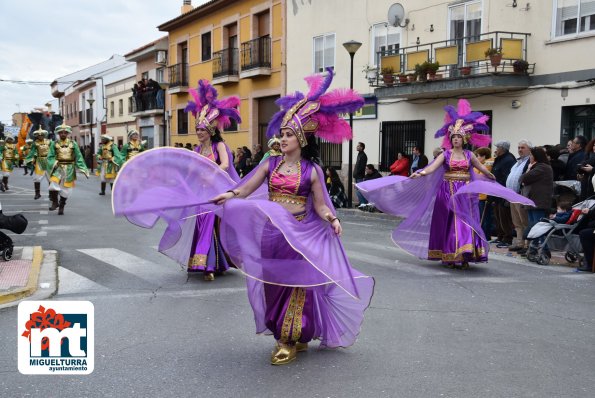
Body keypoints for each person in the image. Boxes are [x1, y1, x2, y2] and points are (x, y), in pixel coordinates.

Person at [113, 68, 374, 366]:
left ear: (301, 139)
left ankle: (289, 338)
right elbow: (245, 188)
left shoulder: (312, 171)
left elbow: (321, 205)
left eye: (288, 135)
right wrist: (228, 195)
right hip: (272, 234)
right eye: (283, 134)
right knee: (273, 286)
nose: (283, 138)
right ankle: (287, 333)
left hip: (300, 234)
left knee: (298, 284)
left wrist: (332, 219)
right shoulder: (271, 164)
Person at [357, 99, 534, 269]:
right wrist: (420, 173)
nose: (456, 139)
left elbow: (482, 168)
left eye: (459, 137)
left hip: (464, 192)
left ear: (464, 139)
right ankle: (450, 255)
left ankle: (464, 254)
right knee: (449, 223)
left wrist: (490, 176)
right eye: (454, 137)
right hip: (447, 191)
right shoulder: (446, 154)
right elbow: (432, 168)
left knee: (464, 222)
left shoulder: (469, 155)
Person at [183, 79, 241, 279]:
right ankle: (211, 261)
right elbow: (191, 169)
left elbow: (225, 164)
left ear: (210, 131)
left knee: (209, 221)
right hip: (201, 192)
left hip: (216, 191)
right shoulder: (197, 149)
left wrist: (209, 172)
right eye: (197, 130)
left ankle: (207, 266)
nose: (198, 133)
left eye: (201, 130)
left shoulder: (219, 147)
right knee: (201, 223)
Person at [47, 123, 90, 215]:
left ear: (67, 133)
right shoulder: (54, 144)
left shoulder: (73, 144)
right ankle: (55, 202)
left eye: (65, 132)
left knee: (66, 190)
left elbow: (79, 156)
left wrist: (83, 169)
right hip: (58, 167)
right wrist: (54, 163)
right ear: (58, 134)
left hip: (69, 168)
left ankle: (62, 205)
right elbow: (50, 157)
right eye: (61, 133)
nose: (63, 134)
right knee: (53, 184)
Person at [518, 146, 554, 255]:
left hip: (538, 201)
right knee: (534, 226)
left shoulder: (542, 167)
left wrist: (528, 169)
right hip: (532, 200)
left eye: (531, 155)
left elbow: (523, 179)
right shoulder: (538, 166)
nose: (530, 157)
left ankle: (545, 250)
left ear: (536, 156)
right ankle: (533, 249)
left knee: (538, 226)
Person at [506, 140, 533, 252]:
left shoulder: (530, 161)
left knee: (524, 220)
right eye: (519, 147)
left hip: (521, 195)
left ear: (529, 149)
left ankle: (527, 244)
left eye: (523, 147)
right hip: (512, 195)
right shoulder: (518, 162)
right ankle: (519, 243)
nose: (520, 150)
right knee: (516, 221)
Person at [491, 141, 516, 248]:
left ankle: (507, 238)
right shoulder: (500, 158)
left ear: (503, 149)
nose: (496, 149)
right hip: (496, 192)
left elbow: (506, 177)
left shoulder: (508, 160)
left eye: (498, 147)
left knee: (504, 217)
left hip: (502, 192)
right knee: (498, 216)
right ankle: (500, 236)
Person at [24, 127, 52, 199]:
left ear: (44, 135)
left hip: (48, 161)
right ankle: (37, 193)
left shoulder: (49, 142)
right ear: (37, 136)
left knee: (50, 178)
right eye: (39, 135)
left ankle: (51, 194)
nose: (40, 136)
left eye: (41, 135)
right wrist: (28, 159)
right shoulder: (35, 143)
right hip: (39, 161)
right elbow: (32, 152)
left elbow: (53, 151)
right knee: (37, 178)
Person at [474, 147, 494, 240]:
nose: (476, 158)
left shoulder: (487, 164)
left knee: (485, 217)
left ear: (483, 156)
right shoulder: (480, 165)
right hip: (479, 195)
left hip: (484, 195)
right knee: (481, 216)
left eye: (477, 156)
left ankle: (485, 235)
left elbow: (479, 177)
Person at [354, 142, 368, 206]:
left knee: (360, 190)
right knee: (357, 190)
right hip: (357, 176)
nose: (357, 147)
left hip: (359, 176)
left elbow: (362, 167)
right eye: (357, 146)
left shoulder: (363, 156)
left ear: (362, 147)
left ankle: (363, 203)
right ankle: (361, 203)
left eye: (358, 146)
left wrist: (357, 173)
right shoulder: (359, 154)